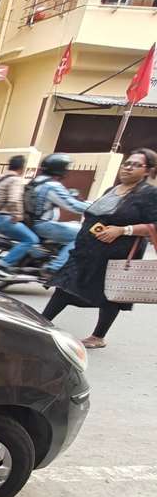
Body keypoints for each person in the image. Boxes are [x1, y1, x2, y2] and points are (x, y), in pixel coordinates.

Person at [42, 148, 157, 349]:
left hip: (116, 255)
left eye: (136, 165)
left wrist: (123, 230)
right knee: (65, 286)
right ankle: (42, 323)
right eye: (126, 163)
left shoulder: (149, 194)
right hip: (87, 252)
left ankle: (98, 336)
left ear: (148, 171)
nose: (128, 168)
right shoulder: (112, 190)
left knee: (111, 294)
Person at [30, 153, 91, 276]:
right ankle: (55, 267)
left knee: (72, 226)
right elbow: (72, 205)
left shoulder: (36, 181)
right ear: (60, 169)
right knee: (82, 234)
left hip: (32, 222)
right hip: (43, 225)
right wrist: (94, 207)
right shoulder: (52, 185)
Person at [0, 155, 36, 279]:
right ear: (22, 168)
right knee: (31, 239)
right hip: (4, 218)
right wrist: (18, 215)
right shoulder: (15, 180)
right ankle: (3, 264)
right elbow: (14, 200)